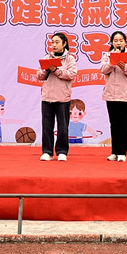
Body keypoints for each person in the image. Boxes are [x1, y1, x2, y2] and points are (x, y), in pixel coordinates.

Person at [36, 32, 77, 161]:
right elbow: (39, 76)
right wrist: (45, 69)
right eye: (52, 42)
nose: (54, 45)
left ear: (64, 44)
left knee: (62, 127)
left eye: (57, 42)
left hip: (62, 97)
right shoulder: (47, 57)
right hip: (47, 97)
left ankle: (62, 151)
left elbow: (71, 74)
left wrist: (56, 70)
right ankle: (47, 152)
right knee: (47, 126)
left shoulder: (70, 59)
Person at [100, 30, 127, 162]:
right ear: (112, 43)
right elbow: (103, 70)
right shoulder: (107, 55)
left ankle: (122, 152)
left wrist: (125, 67)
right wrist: (112, 62)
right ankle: (114, 152)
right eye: (116, 41)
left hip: (125, 94)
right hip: (111, 94)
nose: (118, 43)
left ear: (125, 42)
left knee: (123, 124)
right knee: (114, 123)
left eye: (121, 40)